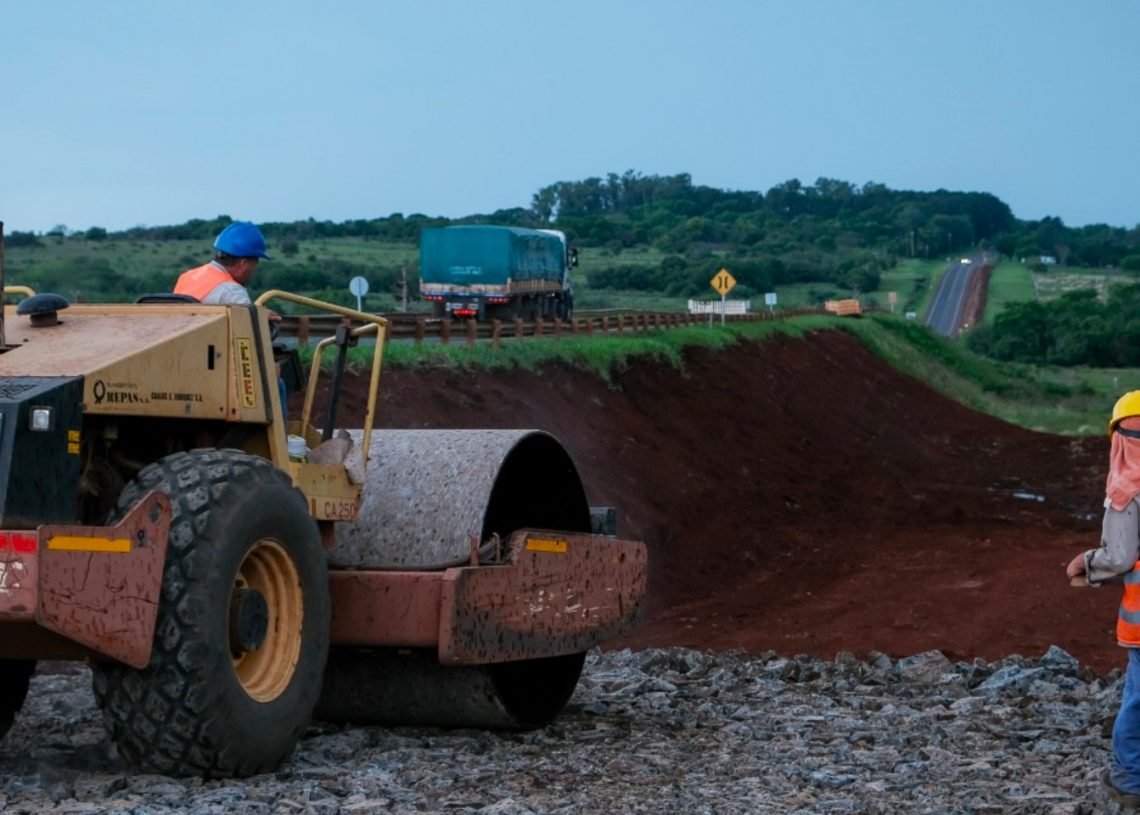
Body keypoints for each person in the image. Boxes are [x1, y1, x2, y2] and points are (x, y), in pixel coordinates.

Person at [1067, 390, 1140, 808]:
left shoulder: (1127, 493)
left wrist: (1086, 564)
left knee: (1137, 701)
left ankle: (1129, 783)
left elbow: (1119, 555)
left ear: (1118, 439)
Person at [175, 221, 288, 416]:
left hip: (183, 360)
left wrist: (257, 311)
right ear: (244, 263)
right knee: (276, 379)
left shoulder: (188, 276)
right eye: (255, 263)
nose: (255, 268)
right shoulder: (232, 291)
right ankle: (277, 444)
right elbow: (247, 341)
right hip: (213, 368)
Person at [174, 221, 271, 304]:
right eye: (254, 265)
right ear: (244, 264)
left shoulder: (186, 277)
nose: (253, 271)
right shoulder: (233, 293)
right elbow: (249, 324)